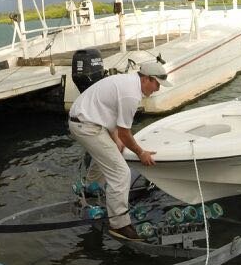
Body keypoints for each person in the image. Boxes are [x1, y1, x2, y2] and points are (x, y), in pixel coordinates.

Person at [67, 61, 172, 241]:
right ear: (147, 79)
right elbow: (125, 132)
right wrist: (141, 153)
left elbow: (111, 114)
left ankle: (92, 190)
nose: (158, 89)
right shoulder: (131, 95)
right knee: (121, 173)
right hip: (87, 126)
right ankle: (119, 224)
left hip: (83, 120)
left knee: (110, 153)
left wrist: (116, 140)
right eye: (157, 84)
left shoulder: (127, 82)